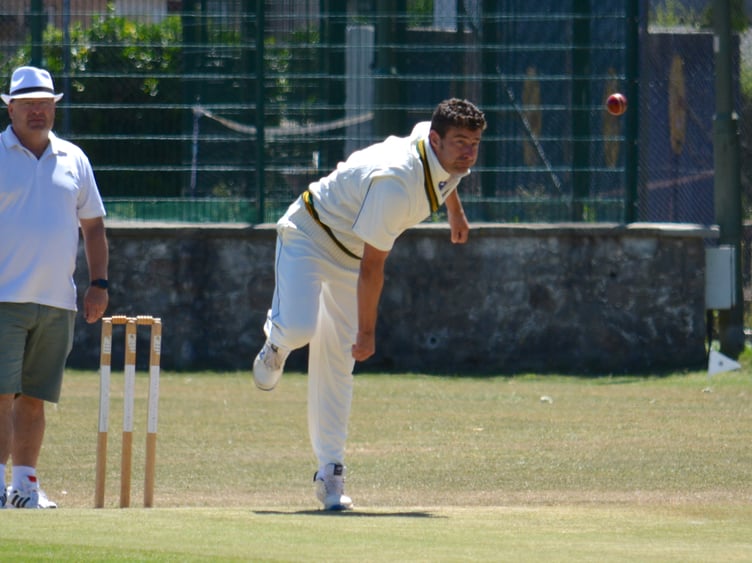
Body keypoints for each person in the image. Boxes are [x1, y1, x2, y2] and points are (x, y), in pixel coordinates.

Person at [252, 98, 486, 510]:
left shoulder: (435, 144)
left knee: (338, 363)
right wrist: (366, 332)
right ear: (436, 141)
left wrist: (455, 212)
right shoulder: (396, 184)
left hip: (350, 255)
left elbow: (447, 176)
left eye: (475, 144)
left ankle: (330, 473)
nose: (468, 152)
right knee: (301, 329)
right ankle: (276, 342)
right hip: (309, 233)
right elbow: (374, 269)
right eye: (460, 143)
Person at [0, 66, 109, 508]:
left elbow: (94, 226)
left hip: (57, 301)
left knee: (35, 399)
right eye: (28, 104)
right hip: (3, 298)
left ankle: (25, 488)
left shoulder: (74, 158)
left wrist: (98, 283)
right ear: (11, 109)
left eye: (45, 104)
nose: (38, 111)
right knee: (0, 397)